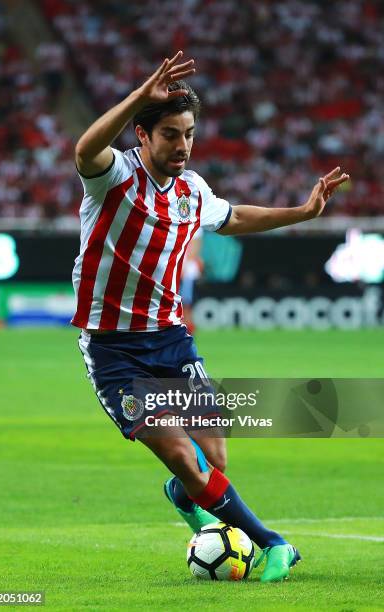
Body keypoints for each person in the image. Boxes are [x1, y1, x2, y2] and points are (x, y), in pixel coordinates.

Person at [72, 51, 349, 582]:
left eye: (190, 134)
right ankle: (273, 544)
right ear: (143, 135)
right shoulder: (113, 178)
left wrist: (304, 212)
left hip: (172, 340)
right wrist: (138, 93)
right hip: (113, 350)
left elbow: (237, 215)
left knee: (212, 461)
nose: (183, 146)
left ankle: (184, 494)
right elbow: (85, 149)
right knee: (180, 451)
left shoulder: (192, 191)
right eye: (171, 134)